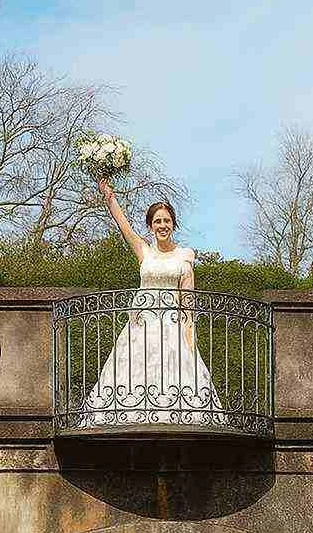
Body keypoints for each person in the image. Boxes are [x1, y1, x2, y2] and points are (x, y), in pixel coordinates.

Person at [80, 177, 222, 427]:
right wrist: (108, 195)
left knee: (174, 371)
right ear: (150, 226)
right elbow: (122, 224)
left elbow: (188, 298)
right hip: (141, 326)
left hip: (172, 324)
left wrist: (189, 331)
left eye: (166, 220)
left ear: (173, 224)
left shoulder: (185, 255)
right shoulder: (144, 251)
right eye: (157, 221)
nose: (162, 225)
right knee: (136, 369)